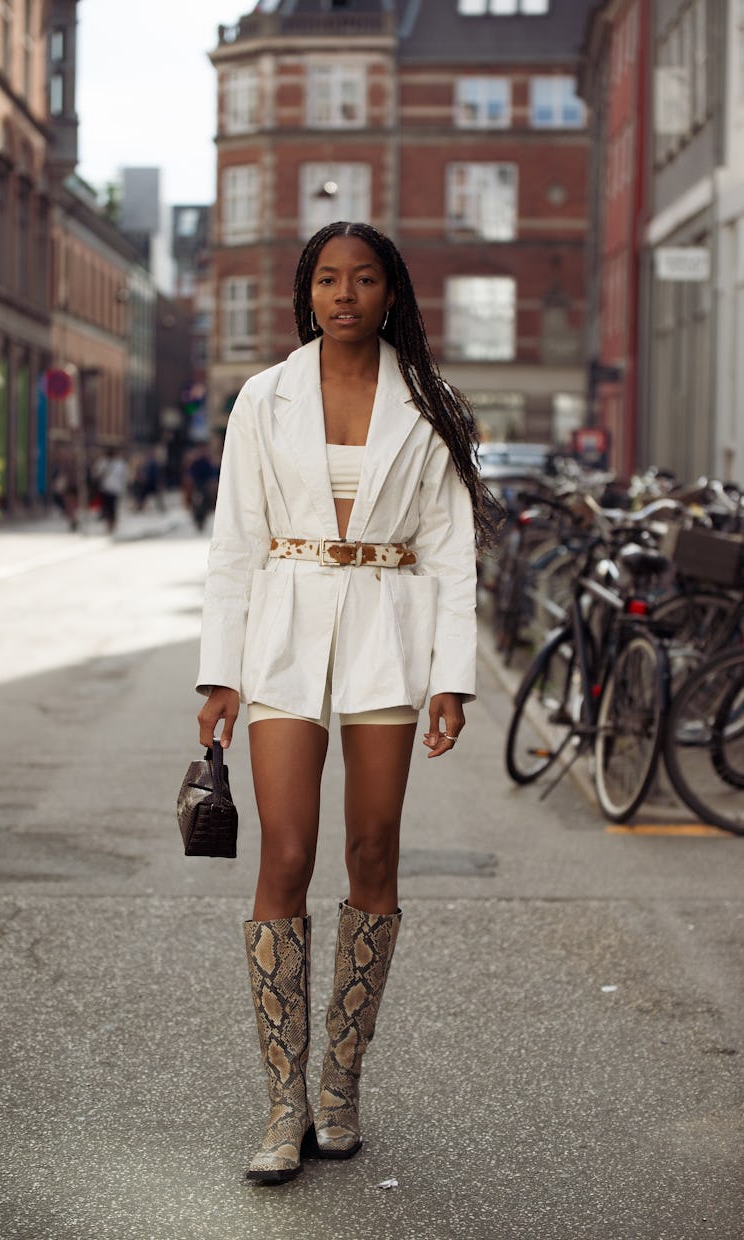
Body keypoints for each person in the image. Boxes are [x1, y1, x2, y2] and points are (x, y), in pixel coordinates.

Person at [196, 222, 500, 1186]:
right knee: (284, 853)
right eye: (328, 278)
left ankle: (341, 1086)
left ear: (391, 294)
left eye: (364, 278)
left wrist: (453, 674)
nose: (344, 294)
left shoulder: (430, 405)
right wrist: (219, 674)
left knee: (373, 849)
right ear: (308, 291)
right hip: (283, 631)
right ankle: (283, 1104)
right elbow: (234, 541)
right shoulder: (262, 397)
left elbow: (453, 548)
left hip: (386, 637)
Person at [93, 446, 129, 534]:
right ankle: (109, 524)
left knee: (112, 507)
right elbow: (97, 474)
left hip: (114, 489)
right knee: (107, 507)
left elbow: (124, 477)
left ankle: (112, 524)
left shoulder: (119, 464)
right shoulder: (103, 463)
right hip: (106, 488)